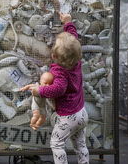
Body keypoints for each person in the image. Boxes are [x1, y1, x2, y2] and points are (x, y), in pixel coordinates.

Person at [20, 13, 89, 164]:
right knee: (80, 144)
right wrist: (68, 22)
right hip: (82, 113)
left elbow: (58, 89)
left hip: (68, 117)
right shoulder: (76, 60)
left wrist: (40, 91)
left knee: (57, 144)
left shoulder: (59, 72)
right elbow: (73, 38)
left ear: (55, 57)